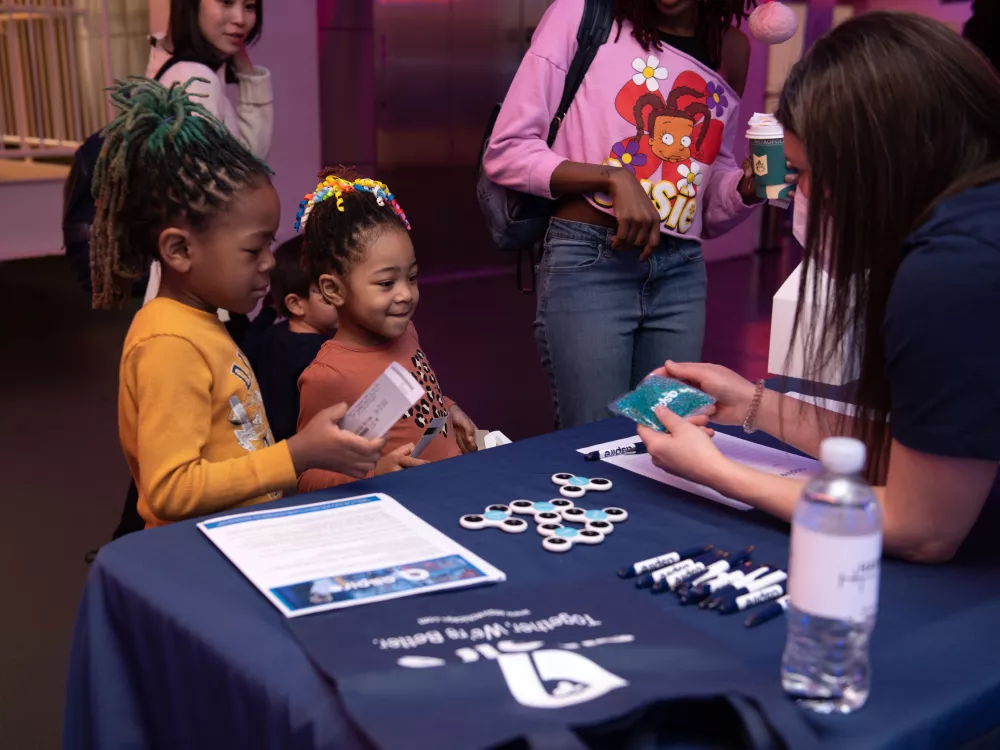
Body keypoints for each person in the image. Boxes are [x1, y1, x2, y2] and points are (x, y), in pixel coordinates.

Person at [637, 13, 1000, 564]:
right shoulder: (972, 225)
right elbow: (924, 459)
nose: (792, 196)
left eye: (802, 174)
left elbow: (921, 524)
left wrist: (715, 472)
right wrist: (754, 404)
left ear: (871, 166)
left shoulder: (951, 273)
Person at [90, 80, 384, 527]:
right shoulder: (169, 343)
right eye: (253, 250)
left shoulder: (203, 322)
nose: (269, 263)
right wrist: (295, 453)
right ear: (180, 250)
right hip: (202, 555)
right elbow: (169, 491)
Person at [483, 0, 761, 429]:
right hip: (590, 261)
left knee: (672, 439)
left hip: (680, 272)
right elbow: (507, 150)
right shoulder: (583, 13)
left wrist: (745, 187)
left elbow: (706, 184)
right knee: (593, 441)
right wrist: (612, 178)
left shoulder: (731, 49)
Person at [295, 170, 479, 493]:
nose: (406, 294)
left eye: (412, 277)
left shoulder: (405, 331)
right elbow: (308, 478)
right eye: (386, 283)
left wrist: (449, 408)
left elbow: (419, 399)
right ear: (333, 290)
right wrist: (375, 475)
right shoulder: (329, 376)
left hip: (449, 487)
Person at [144, 0, 274, 328]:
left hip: (196, 283)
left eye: (249, 6)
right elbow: (235, 186)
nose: (240, 19)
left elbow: (248, 164)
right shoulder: (195, 79)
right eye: (226, 2)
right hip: (204, 287)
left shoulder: (187, 72)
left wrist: (245, 71)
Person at [242, 235, 339, 443]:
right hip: (304, 457)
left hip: (271, 447)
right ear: (295, 304)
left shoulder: (272, 333)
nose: (343, 298)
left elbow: (247, 346)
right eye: (329, 290)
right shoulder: (321, 353)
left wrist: (268, 311)